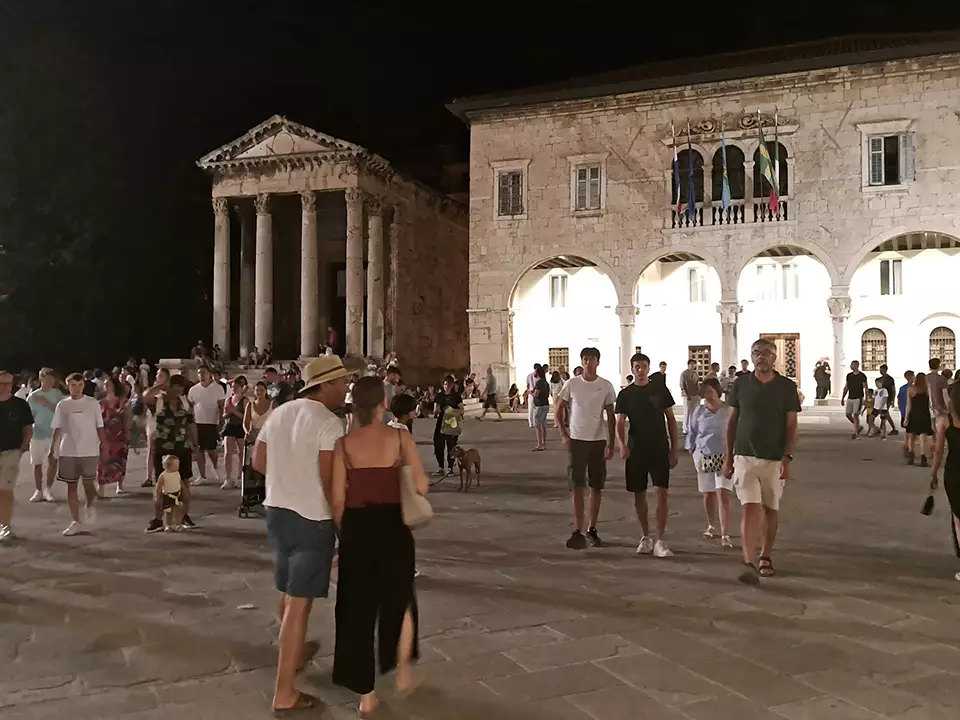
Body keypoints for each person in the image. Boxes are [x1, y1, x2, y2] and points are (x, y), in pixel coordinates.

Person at [253, 356, 349, 715]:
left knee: (286, 591)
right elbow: (330, 480)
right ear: (323, 385)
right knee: (300, 604)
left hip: (277, 510)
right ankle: (284, 692)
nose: (345, 388)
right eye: (340, 382)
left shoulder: (280, 412)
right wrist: (343, 526)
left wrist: (287, 473)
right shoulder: (328, 422)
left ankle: (292, 656)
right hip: (312, 517)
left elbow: (259, 463)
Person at [330, 377, 428, 716]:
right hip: (392, 527)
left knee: (357, 610)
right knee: (400, 599)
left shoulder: (344, 445)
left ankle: (366, 696)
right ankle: (402, 673)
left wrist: (346, 537)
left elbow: (338, 501)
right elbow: (422, 485)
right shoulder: (400, 438)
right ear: (383, 403)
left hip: (357, 528)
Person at [724, 338, 801, 585]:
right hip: (744, 454)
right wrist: (728, 456)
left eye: (767, 353)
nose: (761, 357)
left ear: (774, 357)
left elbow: (791, 425)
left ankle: (765, 555)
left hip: (774, 457)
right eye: (756, 353)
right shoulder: (741, 384)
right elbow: (732, 421)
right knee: (750, 507)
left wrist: (787, 457)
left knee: (770, 508)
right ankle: (748, 559)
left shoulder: (786, 387)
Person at [615, 353, 679, 557]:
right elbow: (619, 422)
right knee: (639, 493)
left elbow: (670, 419)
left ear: (649, 368)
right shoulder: (625, 394)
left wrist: (674, 448)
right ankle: (645, 536)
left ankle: (660, 539)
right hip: (636, 448)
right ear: (632, 369)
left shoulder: (660, 390)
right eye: (636, 366)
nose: (640, 370)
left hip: (659, 446)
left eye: (643, 366)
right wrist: (622, 445)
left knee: (662, 492)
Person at [556, 347, 617, 550]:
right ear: (581, 362)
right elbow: (558, 410)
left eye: (591, 359)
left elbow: (611, 416)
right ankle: (578, 528)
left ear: (598, 361)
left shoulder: (606, 386)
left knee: (596, 486)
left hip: (597, 441)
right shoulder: (572, 384)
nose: (588, 362)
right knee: (577, 485)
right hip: (577, 440)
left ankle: (592, 527)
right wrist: (564, 435)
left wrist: (611, 443)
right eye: (585, 359)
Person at [50, 373, 107, 536]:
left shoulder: (92, 403)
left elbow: (99, 425)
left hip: (89, 449)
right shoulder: (63, 405)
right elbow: (58, 428)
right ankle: (75, 520)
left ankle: (90, 504)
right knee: (71, 485)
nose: (76, 388)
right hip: (68, 449)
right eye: (73, 385)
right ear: (68, 386)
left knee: (89, 482)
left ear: (84, 385)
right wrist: (52, 448)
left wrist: (104, 445)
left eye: (79, 385)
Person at [686, 377, 733, 547]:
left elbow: (736, 430)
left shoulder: (728, 410)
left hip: (725, 455)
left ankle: (725, 533)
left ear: (718, 391)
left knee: (723, 493)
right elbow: (691, 432)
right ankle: (711, 525)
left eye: (711, 392)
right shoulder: (698, 411)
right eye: (705, 393)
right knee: (708, 493)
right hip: (704, 454)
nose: (708, 396)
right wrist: (692, 452)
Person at [930, 382, 960, 581]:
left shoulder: (945, 422)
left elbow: (939, 451)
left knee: (959, 519)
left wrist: (933, 474)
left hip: (955, 471)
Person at [0, 370, 34, 542]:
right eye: (0, 383)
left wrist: (23, 447)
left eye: (7, 383)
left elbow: (28, 427)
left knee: (5, 490)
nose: (4, 387)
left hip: (10, 451)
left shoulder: (20, 405)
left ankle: (5, 526)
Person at [27, 368, 64, 503]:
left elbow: (61, 411)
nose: (50, 381)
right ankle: (38, 490)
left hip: (54, 433)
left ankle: (48, 489)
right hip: (37, 433)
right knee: (37, 463)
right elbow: (28, 416)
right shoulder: (33, 397)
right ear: (41, 379)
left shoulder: (57, 394)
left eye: (52, 379)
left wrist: (47, 403)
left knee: (53, 461)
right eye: (47, 379)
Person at [187, 365, 225, 485]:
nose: (201, 375)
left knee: (211, 449)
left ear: (209, 374)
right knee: (199, 449)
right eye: (199, 373)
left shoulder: (218, 388)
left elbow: (221, 406)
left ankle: (215, 466)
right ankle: (202, 475)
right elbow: (190, 406)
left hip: (211, 422)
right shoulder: (193, 389)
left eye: (204, 372)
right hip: (197, 422)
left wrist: (221, 422)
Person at [97, 376, 133, 496]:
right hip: (105, 437)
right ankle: (101, 487)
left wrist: (128, 434)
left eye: (109, 384)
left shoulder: (123, 402)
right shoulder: (100, 403)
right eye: (105, 384)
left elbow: (128, 418)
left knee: (120, 460)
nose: (106, 386)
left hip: (120, 436)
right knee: (102, 462)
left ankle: (120, 484)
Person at [432, 376, 463, 477]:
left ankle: (450, 467)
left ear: (452, 385)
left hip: (452, 423)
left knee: (451, 445)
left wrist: (452, 410)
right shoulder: (439, 396)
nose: (447, 387)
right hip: (441, 423)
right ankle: (440, 467)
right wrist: (438, 410)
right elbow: (435, 410)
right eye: (445, 384)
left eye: (449, 384)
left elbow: (462, 410)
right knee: (438, 445)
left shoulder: (456, 396)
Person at [906, 372, 935, 466]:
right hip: (924, 414)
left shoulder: (911, 389)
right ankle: (923, 457)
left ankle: (911, 456)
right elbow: (931, 403)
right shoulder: (927, 389)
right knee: (923, 437)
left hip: (914, 414)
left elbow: (908, 405)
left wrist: (906, 417)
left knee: (912, 436)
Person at [841, 360, 868, 439]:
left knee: (856, 415)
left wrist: (866, 399)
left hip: (858, 398)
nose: (851, 366)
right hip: (850, 397)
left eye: (852, 365)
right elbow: (846, 387)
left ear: (856, 365)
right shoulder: (849, 376)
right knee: (848, 414)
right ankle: (858, 426)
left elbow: (865, 388)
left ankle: (856, 433)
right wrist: (843, 397)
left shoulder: (862, 376)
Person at [929, 358, 950, 436]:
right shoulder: (942, 379)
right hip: (940, 405)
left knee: (932, 427)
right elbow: (945, 395)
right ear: (939, 365)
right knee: (942, 428)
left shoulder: (925, 378)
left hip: (928, 406)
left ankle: (934, 444)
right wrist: (948, 408)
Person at [531, 366, 551, 451]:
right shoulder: (546, 383)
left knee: (538, 425)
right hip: (546, 404)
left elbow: (536, 394)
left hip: (539, 405)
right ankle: (544, 443)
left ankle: (540, 444)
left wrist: (530, 393)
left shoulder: (539, 383)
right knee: (543, 425)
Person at [679, 359, 700, 434]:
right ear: (688, 365)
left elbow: (697, 384)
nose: (692, 366)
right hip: (687, 395)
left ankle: (691, 427)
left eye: (694, 364)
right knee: (687, 412)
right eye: (691, 364)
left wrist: (699, 394)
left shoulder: (695, 374)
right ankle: (685, 428)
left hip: (695, 395)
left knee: (693, 412)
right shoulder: (684, 374)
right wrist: (687, 394)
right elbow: (682, 385)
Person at [877, 364, 898, 436]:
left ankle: (881, 429)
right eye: (880, 370)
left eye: (882, 370)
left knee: (884, 413)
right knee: (885, 414)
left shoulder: (890, 379)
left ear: (885, 370)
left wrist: (893, 400)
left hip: (888, 398)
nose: (880, 371)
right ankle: (892, 429)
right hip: (881, 398)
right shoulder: (879, 379)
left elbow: (893, 389)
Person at [898, 371, 915, 457]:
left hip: (904, 411)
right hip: (911, 411)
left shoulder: (902, 388)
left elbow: (899, 400)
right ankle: (907, 446)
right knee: (911, 432)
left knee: (907, 430)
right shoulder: (913, 388)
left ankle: (906, 445)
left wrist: (901, 410)